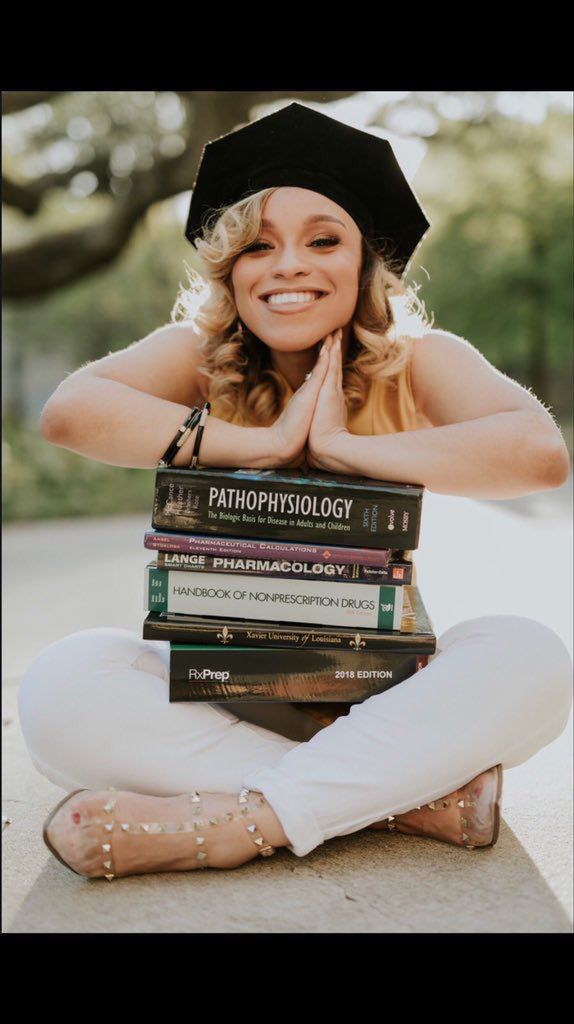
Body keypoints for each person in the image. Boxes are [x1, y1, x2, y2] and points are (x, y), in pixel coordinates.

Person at [18, 104, 572, 882]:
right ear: (230, 269)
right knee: (61, 689)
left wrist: (347, 448)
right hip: (221, 688)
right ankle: (404, 799)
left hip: (383, 692)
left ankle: (240, 825)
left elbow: (538, 455)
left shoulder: (420, 361)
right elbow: (71, 413)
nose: (287, 266)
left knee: (532, 657)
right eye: (258, 246)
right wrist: (268, 444)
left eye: (322, 240)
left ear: (364, 264)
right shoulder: (197, 355)